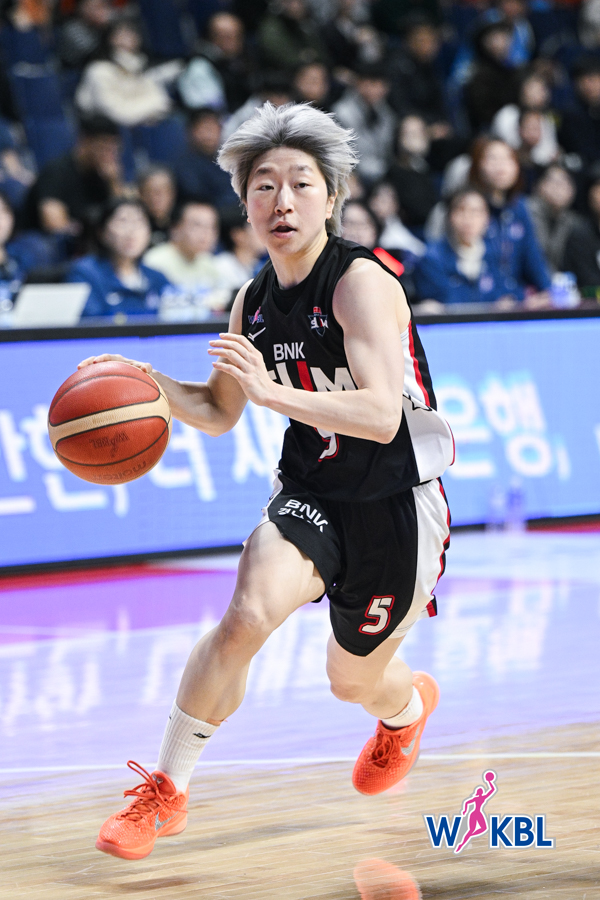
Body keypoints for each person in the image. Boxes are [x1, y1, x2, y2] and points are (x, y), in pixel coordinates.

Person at [80, 101, 454, 860]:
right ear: (245, 204)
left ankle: (406, 711)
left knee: (353, 681)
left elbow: (381, 414)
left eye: (300, 184)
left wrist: (271, 392)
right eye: (264, 186)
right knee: (246, 614)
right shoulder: (252, 302)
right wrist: (146, 386)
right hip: (311, 493)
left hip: (395, 502)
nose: (282, 201)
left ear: (331, 197)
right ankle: (166, 789)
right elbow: (222, 411)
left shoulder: (362, 283)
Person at [414, 188, 526, 306]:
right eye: (461, 210)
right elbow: (445, 302)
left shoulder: (496, 254)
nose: (468, 220)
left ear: (487, 218)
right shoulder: (432, 258)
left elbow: (511, 289)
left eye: (475, 212)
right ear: (449, 216)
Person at [66, 198, 171, 318]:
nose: (131, 231)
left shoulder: (157, 278)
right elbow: (91, 322)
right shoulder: (85, 273)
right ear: (102, 232)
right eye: (122, 221)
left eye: (139, 222)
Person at [23, 115, 125, 237]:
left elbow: (123, 217)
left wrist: (114, 182)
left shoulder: (105, 175)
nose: (109, 155)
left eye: (114, 149)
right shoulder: (56, 172)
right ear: (85, 141)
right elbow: (54, 225)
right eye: (104, 147)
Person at [143, 201, 229, 314]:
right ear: (176, 229)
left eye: (212, 227)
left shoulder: (209, 263)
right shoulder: (154, 261)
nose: (206, 233)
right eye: (197, 225)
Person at [174, 108, 239, 210]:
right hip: (204, 212)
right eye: (204, 128)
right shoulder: (184, 164)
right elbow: (196, 194)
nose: (209, 134)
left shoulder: (230, 158)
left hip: (235, 211)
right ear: (191, 131)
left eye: (212, 128)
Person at [137, 165, 177, 247]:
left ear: (173, 194)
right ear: (141, 194)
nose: (158, 197)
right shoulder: (134, 223)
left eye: (164, 190)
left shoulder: (182, 221)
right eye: (151, 191)